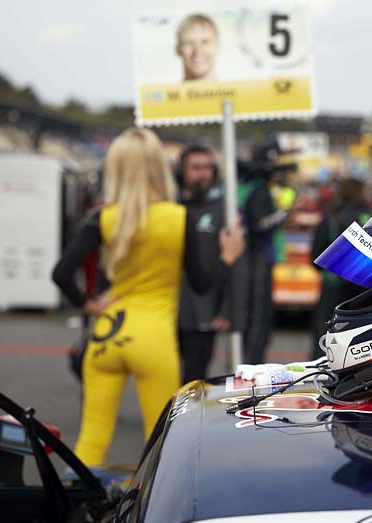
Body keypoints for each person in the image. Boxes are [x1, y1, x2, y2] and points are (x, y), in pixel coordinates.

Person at [51, 128, 245, 467]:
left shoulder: (103, 217)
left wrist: (90, 305)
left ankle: (72, 498)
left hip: (107, 334)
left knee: (90, 443)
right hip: (153, 340)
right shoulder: (179, 218)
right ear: (159, 166)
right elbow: (202, 283)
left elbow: (61, 273)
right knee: (161, 448)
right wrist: (227, 257)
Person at [176, 144, 241, 383]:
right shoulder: (171, 207)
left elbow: (235, 262)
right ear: (182, 171)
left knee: (194, 380)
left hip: (204, 310)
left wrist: (226, 309)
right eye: (195, 167)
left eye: (206, 167)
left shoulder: (224, 210)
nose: (202, 173)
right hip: (169, 309)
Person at [238, 141, 296, 365]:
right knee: (259, 316)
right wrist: (283, 214)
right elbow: (260, 224)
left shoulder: (247, 186)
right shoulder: (259, 189)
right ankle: (252, 365)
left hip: (252, 257)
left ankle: (250, 361)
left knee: (254, 315)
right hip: (258, 257)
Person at [310, 178, 372, 357]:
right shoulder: (371, 216)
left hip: (333, 284)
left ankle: (322, 365)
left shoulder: (331, 216)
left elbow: (316, 255)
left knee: (325, 331)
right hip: (362, 286)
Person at [176, 13, 219, 82]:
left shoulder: (236, 88)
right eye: (189, 43)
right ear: (178, 49)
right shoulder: (163, 88)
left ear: (217, 45)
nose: (198, 51)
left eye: (205, 42)